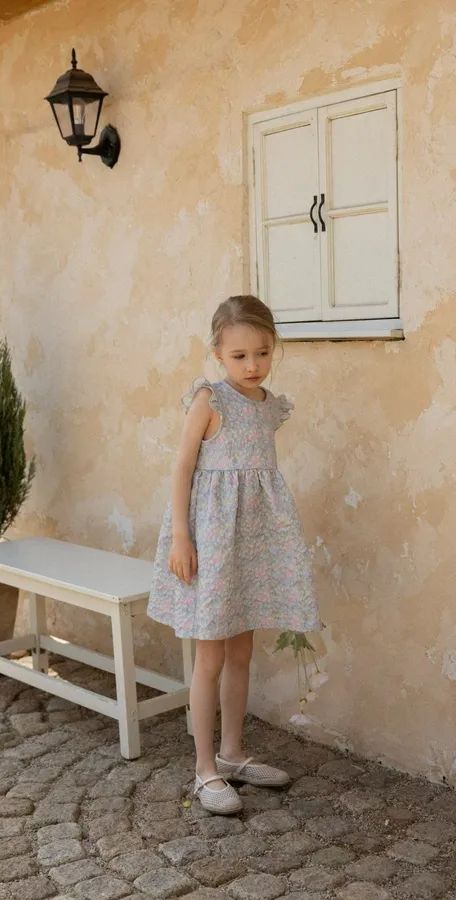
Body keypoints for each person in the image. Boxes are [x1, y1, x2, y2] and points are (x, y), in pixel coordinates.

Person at [148, 295, 320, 814]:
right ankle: (205, 769)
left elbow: (257, 482)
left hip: (252, 544)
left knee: (242, 652)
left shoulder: (269, 406)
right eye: (240, 355)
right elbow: (183, 469)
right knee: (211, 658)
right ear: (218, 353)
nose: (252, 365)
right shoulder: (210, 401)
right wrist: (181, 537)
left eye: (262, 353)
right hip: (212, 543)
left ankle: (233, 754)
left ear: (274, 348)